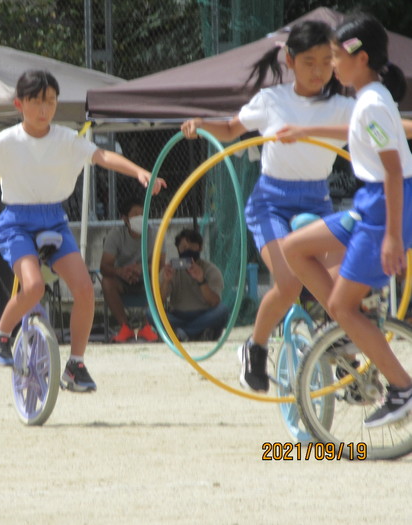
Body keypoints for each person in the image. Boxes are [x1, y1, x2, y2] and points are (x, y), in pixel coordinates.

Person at [0, 70, 165, 392]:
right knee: (34, 286)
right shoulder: (6, 141)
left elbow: (102, 156)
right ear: (19, 104)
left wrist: (139, 172)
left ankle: (75, 365)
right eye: (36, 101)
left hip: (54, 221)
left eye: (50, 101)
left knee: (83, 289)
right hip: (16, 223)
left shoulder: (66, 138)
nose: (44, 109)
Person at [181, 20, 356, 393]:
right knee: (289, 283)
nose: (319, 71)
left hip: (318, 203)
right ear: (289, 61)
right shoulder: (271, 100)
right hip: (271, 204)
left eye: (327, 61)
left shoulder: (344, 106)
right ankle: (256, 346)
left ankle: (346, 355)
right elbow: (230, 130)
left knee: (342, 281)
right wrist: (202, 124)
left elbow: (374, 133)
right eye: (309, 62)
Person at [282, 14, 412, 427]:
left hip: (384, 207)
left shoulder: (372, 104)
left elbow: (393, 171)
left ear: (362, 58)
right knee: (294, 248)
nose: (332, 64)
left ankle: (403, 388)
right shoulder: (371, 99)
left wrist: (392, 237)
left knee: (340, 303)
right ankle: (347, 325)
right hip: (370, 204)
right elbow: (357, 130)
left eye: (337, 56)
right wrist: (306, 131)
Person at [100, 195, 163, 343]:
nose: (140, 217)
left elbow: (159, 264)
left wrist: (141, 269)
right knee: (107, 282)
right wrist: (121, 272)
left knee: (161, 277)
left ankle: (148, 325)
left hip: (147, 280)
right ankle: (125, 327)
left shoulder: (155, 234)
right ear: (125, 219)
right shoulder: (115, 235)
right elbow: (104, 267)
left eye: (142, 213)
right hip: (123, 282)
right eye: (135, 214)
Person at [159, 229, 228, 342]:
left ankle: (183, 333)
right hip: (178, 315)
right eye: (184, 247)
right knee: (151, 312)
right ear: (178, 249)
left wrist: (201, 280)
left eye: (192, 246)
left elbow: (214, 302)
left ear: (200, 248)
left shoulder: (211, 270)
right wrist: (166, 281)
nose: (187, 250)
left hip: (204, 314)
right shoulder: (171, 269)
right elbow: (159, 300)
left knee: (222, 310)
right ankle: (196, 332)